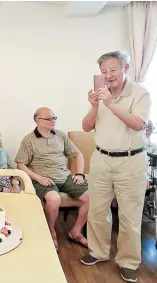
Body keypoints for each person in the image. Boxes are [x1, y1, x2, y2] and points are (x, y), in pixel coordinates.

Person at [81, 51, 151, 283]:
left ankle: (129, 261)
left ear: (125, 69)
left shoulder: (140, 93)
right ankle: (98, 252)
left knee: (129, 216)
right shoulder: (100, 95)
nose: (108, 75)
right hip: (101, 159)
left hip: (131, 162)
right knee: (97, 211)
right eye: (103, 72)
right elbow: (86, 127)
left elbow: (138, 124)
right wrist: (94, 106)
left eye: (113, 70)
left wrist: (110, 104)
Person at [16, 107, 89, 252]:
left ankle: (75, 231)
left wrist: (79, 174)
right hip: (43, 179)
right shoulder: (29, 140)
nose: (53, 121)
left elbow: (77, 154)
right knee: (54, 199)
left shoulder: (60, 135)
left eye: (54, 118)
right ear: (37, 121)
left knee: (92, 197)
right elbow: (20, 164)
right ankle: (51, 232)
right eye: (49, 118)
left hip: (65, 176)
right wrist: (39, 178)